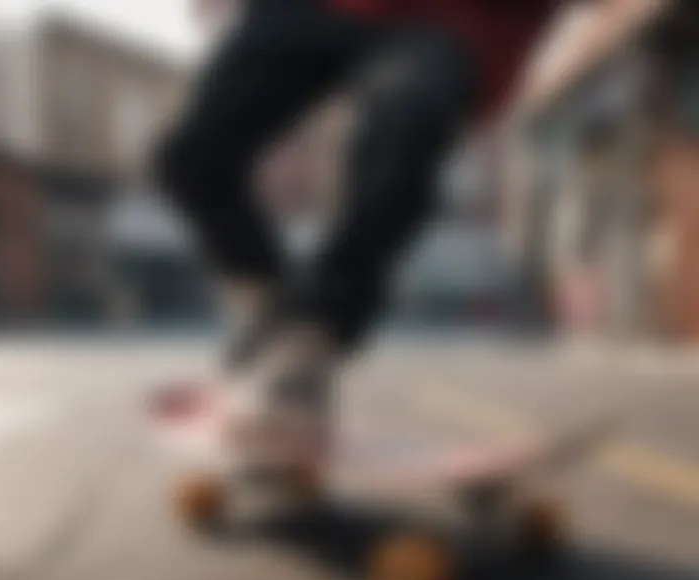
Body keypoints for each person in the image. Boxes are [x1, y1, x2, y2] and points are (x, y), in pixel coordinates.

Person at [155, 0, 557, 480]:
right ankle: (269, 325)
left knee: (402, 131)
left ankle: (302, 349)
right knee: (193, 157)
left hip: (449, 21)